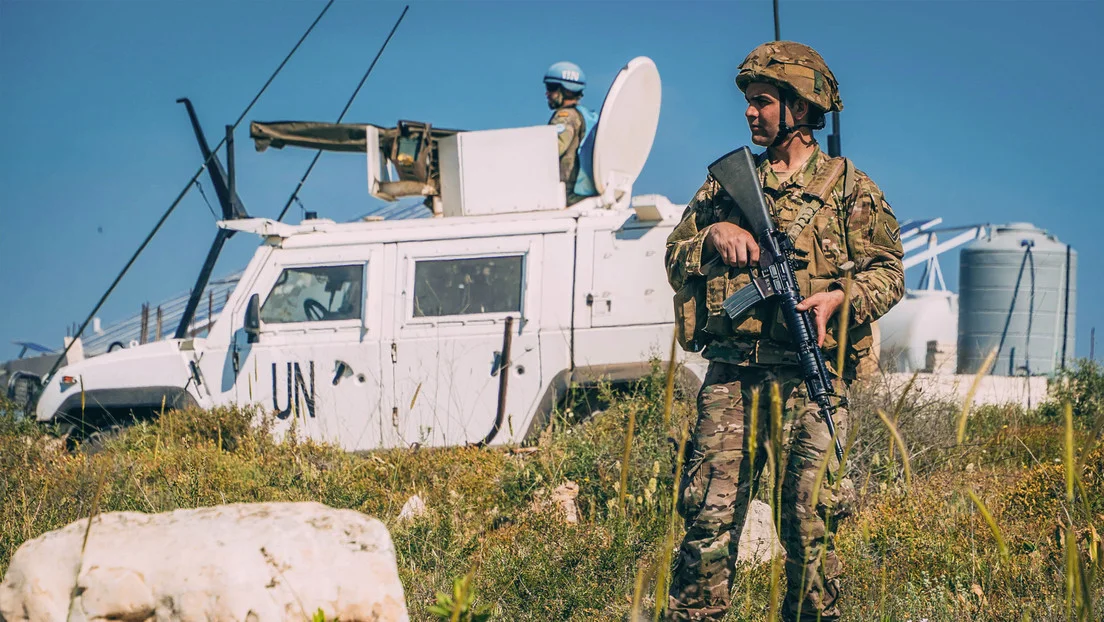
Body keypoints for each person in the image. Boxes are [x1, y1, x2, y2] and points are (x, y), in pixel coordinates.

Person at [663, 41, 905, 621]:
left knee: (809, 525)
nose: (750, 112)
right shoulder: (724, 187)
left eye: (763, 102)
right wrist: (712, 237)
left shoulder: (850, 188)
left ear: (799, 108)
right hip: (732, 381)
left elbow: (890, 273)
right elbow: (675, 257)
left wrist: (840, 297)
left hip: (809, 380)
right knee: (707, 523)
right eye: (748, 101)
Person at [544, 61, 599, 205]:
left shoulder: (565, 117)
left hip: (567, 194)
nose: (547, 93)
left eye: (551, 88)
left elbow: (552, 150)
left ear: (566, 90)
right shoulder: (587, 115)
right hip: (586, 192)